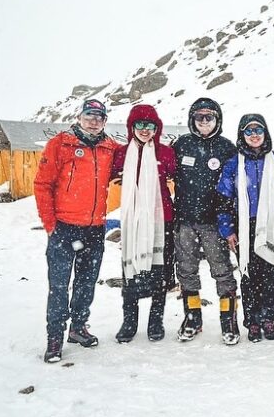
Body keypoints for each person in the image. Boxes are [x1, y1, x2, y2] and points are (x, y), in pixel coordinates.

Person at [34, 99, 118, 363]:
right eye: (89, 115)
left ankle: (79, 327)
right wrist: (50, 224)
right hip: (64, 229)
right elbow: (42, 184)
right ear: (80, 117)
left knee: (86, 283)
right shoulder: (60, 144)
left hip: (94, 228)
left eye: (99, 117)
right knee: (59, 286)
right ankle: (55, 337)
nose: (94, 121)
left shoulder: (110, 147)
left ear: (105, 121)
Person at [216, 114, 274, 342]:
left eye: (258, 130)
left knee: (271, 272)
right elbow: (223, 198)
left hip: (271, 223)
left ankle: (268, 318)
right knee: (249, 273)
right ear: (242, 135)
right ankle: (252, 320)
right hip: (244, 224)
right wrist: (228, 229)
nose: (254, 135)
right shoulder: (234, 163)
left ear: (265, 132)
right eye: (248, 131)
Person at [172, 98, 239, 345]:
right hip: (185, 220)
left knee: (221, 270)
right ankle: (192, 316)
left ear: (217, 120)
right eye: (199, 117)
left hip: (213, 222)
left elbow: (235, 185)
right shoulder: (181, 145)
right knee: (187, 270)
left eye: (209, 117)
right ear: (192, 119)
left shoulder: (226, 148)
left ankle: (228, 318)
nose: (204, 121)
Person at [111, 105, 176, 343]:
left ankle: (155, 320)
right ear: (131, 127)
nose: (145, 130)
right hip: (133, 222)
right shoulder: (120, 154)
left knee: (159, 273)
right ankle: (130, 321)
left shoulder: (166, 153)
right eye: (140, 125)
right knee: (132, 272)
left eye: (151, 126)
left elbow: (176, 177)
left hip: (161, 219)